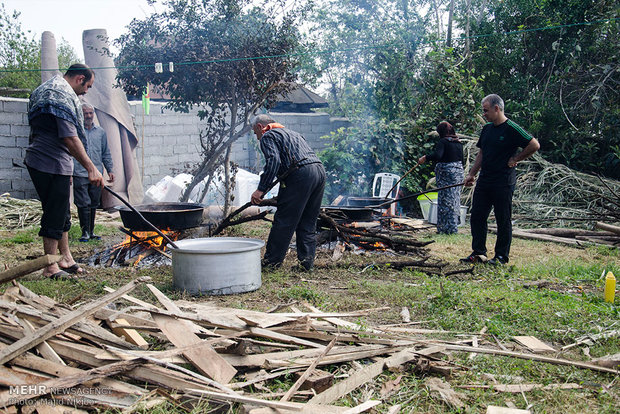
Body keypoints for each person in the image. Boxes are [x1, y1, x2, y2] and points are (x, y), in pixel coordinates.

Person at [25, 63, 104, 279]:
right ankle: (50, 267)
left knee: (62, 211)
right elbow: (69, 138)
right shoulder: (59, 94)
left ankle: (66, 258)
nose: (86, 91)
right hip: (49, 163)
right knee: (54, 213)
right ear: (79, 78)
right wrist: (91, 169)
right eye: (88, 85)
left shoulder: (47, 89)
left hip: (52, 161)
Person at [461, 94, 540, 265]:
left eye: (486, 110)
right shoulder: (487, 129)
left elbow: (534, 144)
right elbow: (481, 153)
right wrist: (472, 174)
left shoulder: (512, 128)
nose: (484, 114)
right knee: (477, 216)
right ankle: (479, 253)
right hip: (485, 180)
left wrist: (516, 159)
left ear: (497, 108)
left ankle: (501, 257)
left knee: (502, 218)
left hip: (503, 181)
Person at [250, 114, 326, 271]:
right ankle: (306, 265)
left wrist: (261, 190)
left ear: (259, 127)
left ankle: (271, 264)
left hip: (301, 174)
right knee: (308, 222)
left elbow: (274, 161)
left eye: (255, 132)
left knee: (284, 221)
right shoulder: (294, 134)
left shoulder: (268, 135)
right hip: (319, 172)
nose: (257, 137)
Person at [73, 103, 114, 242]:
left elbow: (105, 152)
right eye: (86, 113)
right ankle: (84, 232)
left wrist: (110, 169)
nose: (88, 116)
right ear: (81, 114)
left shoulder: (101, 132)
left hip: (97, 174)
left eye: (91, 113)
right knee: (83, 202)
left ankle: (91, 231)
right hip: (79, 172)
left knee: (94, 203)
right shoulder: (76, 132)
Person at [418, 121, 464, 234]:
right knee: (454, 199)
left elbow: (438, 155)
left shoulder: (443, 142)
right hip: (458, 173)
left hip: (447, 174)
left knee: (445, 200)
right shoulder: (458, 143)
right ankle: (453, 226)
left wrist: (425, 157)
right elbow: (461, 160)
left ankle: (446, 229)